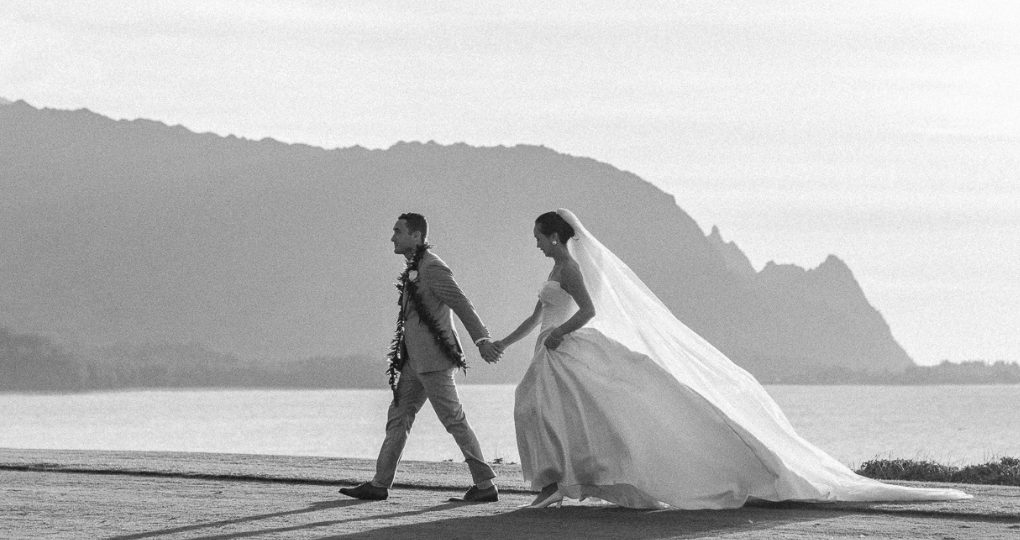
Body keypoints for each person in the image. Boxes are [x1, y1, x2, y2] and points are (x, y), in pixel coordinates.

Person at [490, 209, 969, 510]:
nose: (534, 243)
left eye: (538, 235)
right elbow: (537, 316)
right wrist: (505, 344)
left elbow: (590, 311)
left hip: (567, 349)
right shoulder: (555, 269)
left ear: (555, 237)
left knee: (567, 411)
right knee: (534, 406)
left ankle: (567, 480)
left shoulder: (571, 269)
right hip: (547, 349)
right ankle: (562, 479)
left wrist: (562, 336)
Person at [341, 212, 505, 504]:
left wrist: (481, 340)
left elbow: (461, 303)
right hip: (413, 362)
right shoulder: (414, 267)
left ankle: (485, 484)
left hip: (434, 360)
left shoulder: (432, 268)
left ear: (416, 236)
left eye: (398, 231)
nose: (392, 237)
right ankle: (379, 484)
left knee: (454, 421)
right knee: (398, 418)